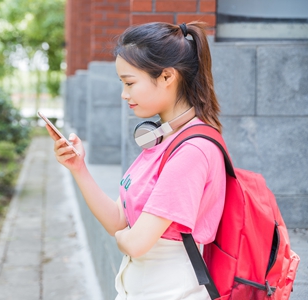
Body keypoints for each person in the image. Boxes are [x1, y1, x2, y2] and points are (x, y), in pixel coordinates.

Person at [45, 21, 226, 300]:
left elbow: (136, 242)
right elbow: (119, 220)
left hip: (171, 290)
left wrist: (125, 239)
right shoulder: (164, 139)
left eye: (130, 83)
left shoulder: (192, 151)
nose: (123, 94)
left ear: (167, 77)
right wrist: (78, 168)